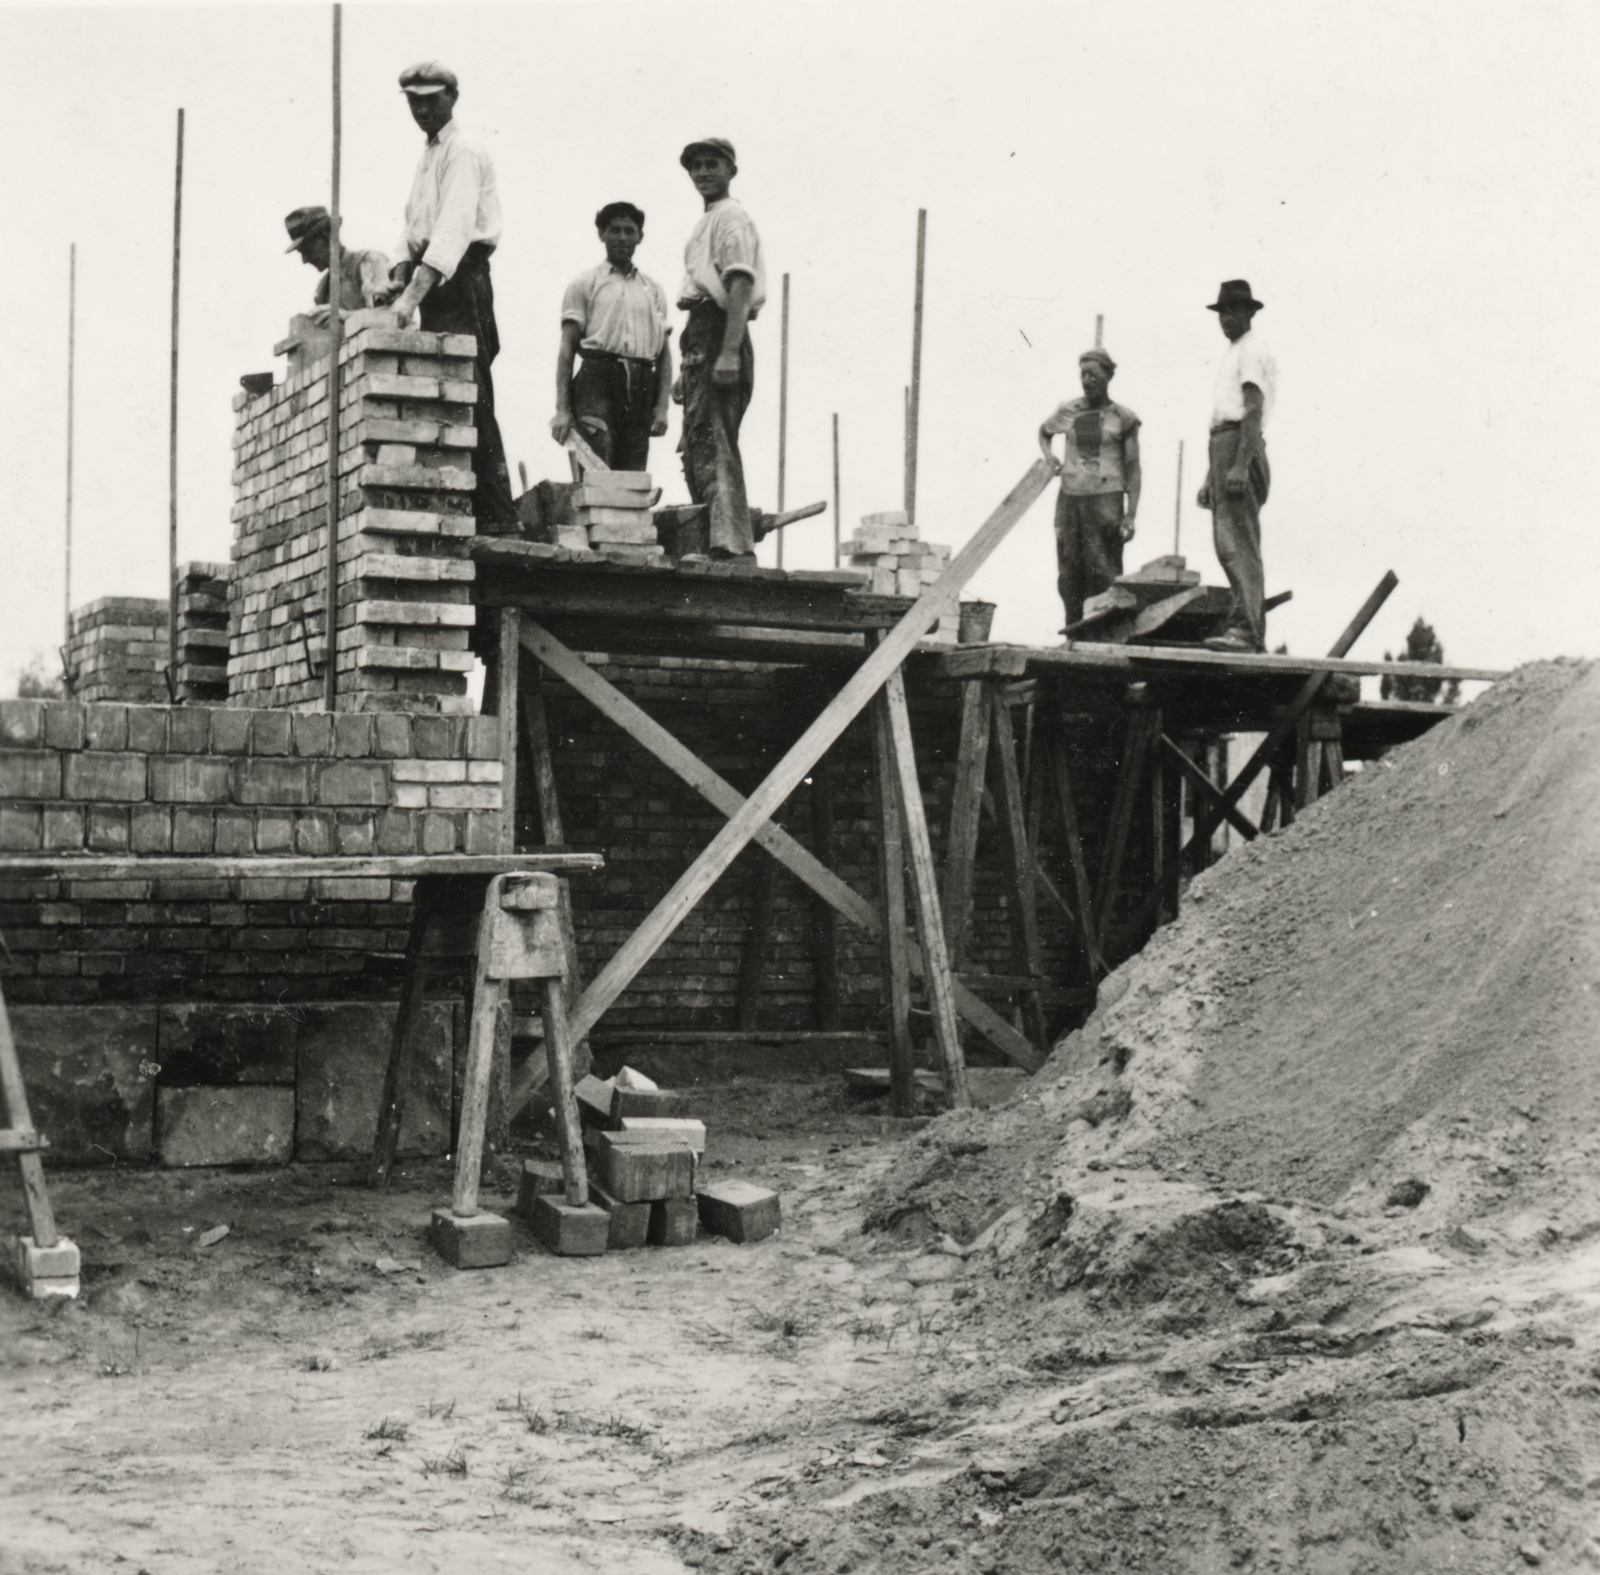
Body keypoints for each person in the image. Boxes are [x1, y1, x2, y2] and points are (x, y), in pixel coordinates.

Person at [385, 61, 517, 531]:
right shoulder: (429, 156)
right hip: (438, 281)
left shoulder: (462, 150)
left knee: (468, 390)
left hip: (460, 278)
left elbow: (451, 232)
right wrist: (397, 276)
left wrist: (411, 296)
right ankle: (461, 507)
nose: (421, 109)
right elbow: (412, 226)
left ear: (452, 98)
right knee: (446, 391)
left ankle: (498, 518)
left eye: (430, 99)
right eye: (413, 101)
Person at [674, 137, 766, 561]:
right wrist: (688, 369)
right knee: (696, 442)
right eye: (696, 166)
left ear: (731, 170)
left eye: (712, 164)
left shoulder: (731, 217)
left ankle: (730, 544)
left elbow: (740, 283)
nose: (703, 173)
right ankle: (712, 539)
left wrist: (728, 352)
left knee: (715, 441)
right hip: (700, 333)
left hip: (720, 329)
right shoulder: (708, 220)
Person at [551, 202, 673, 473]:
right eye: (614, 230)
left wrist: (662, 407)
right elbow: (566, 350)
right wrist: (562, 409)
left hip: (642, 382)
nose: (621, 237)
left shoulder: (652, 290)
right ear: (601, 234)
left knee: (632, 474)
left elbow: (664, 354)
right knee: (596, 467)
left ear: (640, 236)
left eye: (629, 231)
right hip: (597, 379)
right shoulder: (585, 283)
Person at [1197, 279, 1277, 652]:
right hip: (1224, 448)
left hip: (1239, 446)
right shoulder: (1236, 350)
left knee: (1239, 543)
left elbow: (1252, 409)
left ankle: (1247, 631)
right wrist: (1210, 475)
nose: (1227, 318)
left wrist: (1241, 465)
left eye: (1234, 311)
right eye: (1223, 312)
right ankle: (1243, 626)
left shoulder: (1252, 349)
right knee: (1227, 542)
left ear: (1249, 313)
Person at [1038, 348, 1142, 631]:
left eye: (1094, 375)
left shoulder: (1123, 417)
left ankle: (1103, 632)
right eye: (1083, 375)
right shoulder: (1069, 410)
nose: (1087, 381)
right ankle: (1074, 631)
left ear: (1109, 376)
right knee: (1069, 570)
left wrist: (1131, 515)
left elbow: (1133, 469)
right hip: (1070, 499)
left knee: (1103, 568)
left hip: (1106, 500)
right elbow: (1044, 432)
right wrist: (1049, 456)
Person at [283, 206, 391, 320]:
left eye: (308, 250)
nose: (304, 260)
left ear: (327, 236)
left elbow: (393, 315)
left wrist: (347, 316)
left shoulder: (369, 262)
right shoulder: (322, 289)